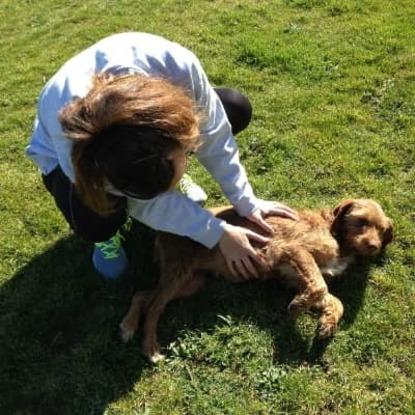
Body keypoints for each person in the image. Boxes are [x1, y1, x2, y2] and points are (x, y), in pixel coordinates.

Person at [26, 32, 297, 280]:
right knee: (92, 217)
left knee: (234, 107)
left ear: (181, 133)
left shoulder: (175, 64)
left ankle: (165, 179)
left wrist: (245, 200)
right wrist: (217, 233)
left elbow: (215, 135)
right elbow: (141, 204)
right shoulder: (77, 145)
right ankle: (104, 235)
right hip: (63, 160)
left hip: (152, 118)